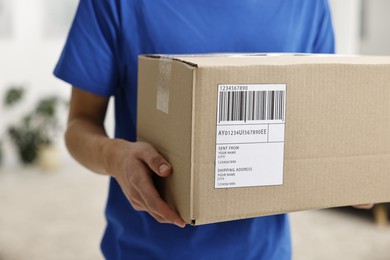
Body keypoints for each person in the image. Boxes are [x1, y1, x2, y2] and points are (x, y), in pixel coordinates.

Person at [54, 0, 369, 259]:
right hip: (144, 250)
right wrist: (114, 157)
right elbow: (80, 123)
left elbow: (317, 117)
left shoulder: (308, 6)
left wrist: (351, 168)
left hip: (263, 251)